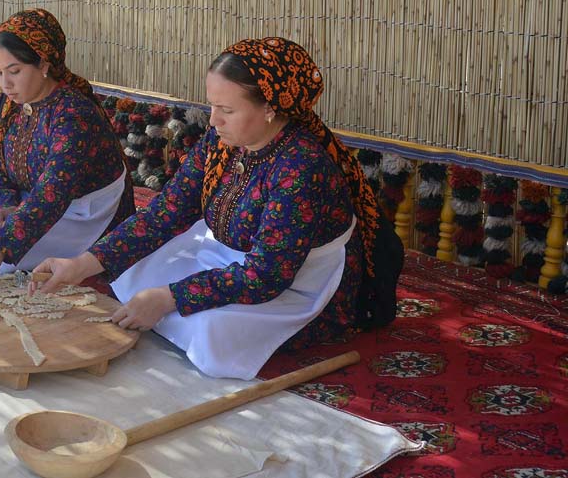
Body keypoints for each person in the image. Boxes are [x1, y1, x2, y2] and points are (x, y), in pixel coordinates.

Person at [31, 38, 403, 380]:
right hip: (233, 256)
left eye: (226, 109)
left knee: (211, 333)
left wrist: (169, 297)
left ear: (271, 108)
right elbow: (167, 211)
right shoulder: (222, 142)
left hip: (296, 282)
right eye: (211, 105)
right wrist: (82, 263)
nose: (213, 120)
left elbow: (266, 276)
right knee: (132, 276)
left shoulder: (300, 167)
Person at [0, 9, 133, 283]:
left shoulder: (72, 113)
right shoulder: (6, 104)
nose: (6, 84)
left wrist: (1, 245)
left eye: (15, 71)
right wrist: (4, 204)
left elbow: (54, 192)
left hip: (76, 210)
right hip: (26, 198)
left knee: (4, 250)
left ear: (44, 65)